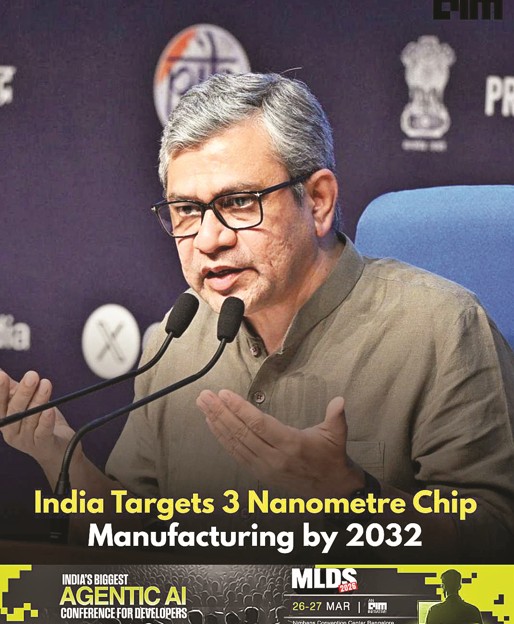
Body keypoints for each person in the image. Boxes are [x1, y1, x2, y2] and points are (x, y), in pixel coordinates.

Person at [1, 73, 513, 562]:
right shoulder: (177, 340)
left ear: (318, 202)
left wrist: (353, 500)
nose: (209, 239)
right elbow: (137, 544)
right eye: (186, 210)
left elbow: (496, 546)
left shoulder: (441, 330)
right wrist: (61, 456)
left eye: (240, 202)